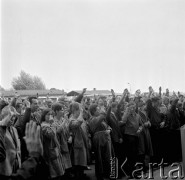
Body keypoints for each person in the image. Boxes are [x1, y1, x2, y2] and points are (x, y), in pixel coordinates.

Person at [88, 103, 112, 180]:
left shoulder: (100, 118)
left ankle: (107, 173)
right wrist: (103, 110)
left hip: (105, 138)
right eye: (97, 109)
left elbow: (108, 126)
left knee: (107, 157)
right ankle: (100, 175)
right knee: (99, 158)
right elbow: (101, 117)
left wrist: (109, 129)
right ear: (93, 111)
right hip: (98, 139)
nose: (99, 110)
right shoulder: (92, 119)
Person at [40, 108, 65, 180]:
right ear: (44, 115)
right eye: (48, 114)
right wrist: (52, 124)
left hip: (54, 149)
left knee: (58, 170)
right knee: (53, 172)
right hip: (50, 151)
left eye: (51, 114)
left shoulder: (49, 124)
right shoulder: (43, 125)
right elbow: (51, 135)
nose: (50, 116)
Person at [52, 103, 73, 179]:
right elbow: (58, 130)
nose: (63, 111)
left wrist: (70, 136)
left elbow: (69, 129)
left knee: (67, 159)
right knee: (62, 161)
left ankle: (68, 173)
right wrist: (65, 121)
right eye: (61, 110)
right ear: (56, 111)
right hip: (59, 144)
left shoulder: (64, 119)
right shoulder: (53, 120)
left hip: (66, 142)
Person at [0, 106, 21, 178]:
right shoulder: (1, 129)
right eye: (11, 116)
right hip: (5, 167)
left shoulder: (14, 129)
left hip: (16, 165)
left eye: (14, 117)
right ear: (4, 116)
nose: (13, 119)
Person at [69, 102, 88, 180]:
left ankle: (82, 174)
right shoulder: (71, 119)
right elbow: (78, 123)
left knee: (82, 158)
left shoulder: (79, 117)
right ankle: (78, 176)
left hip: (82, 141)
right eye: (78, 110)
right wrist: (81, 113)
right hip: (76, 142)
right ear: (75, 110)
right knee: (77, 159)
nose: (80, 112)